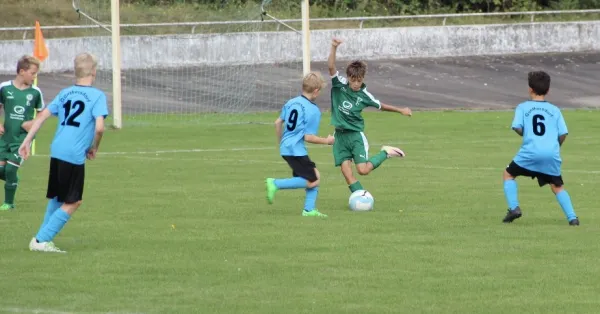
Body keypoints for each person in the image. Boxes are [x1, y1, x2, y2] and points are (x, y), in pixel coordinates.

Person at [20, 52, 109, 253]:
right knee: (74, 201)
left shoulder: (65, 92)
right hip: (74, 154)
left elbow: (42, 116)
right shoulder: (97, 96)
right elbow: (100, 127)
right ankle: (42, 240)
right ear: (93, 72)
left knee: (58, 198)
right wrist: (94, 147)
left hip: (58, 150)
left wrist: (27, 140)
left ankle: (41, 238)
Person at [327, 38, 412, 193]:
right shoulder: (339, 85)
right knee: (347, 173)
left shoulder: (365, 95)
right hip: (339, 137)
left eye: (359, 81)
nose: (356, 84)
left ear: (363, 79)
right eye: (353, 80)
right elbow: (331, 66)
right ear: (348, 77)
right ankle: (361, 196)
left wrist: (401, 110)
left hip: (355, 136)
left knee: (363, 170)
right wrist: (334, 47)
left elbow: (381, 106)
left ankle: (385, 152)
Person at [502, 70, 579, 226]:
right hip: (551, 153)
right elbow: (563, 133)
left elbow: (516, 127)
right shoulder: (555, 110)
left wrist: (527, 134)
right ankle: (573, 218)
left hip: (530, 152)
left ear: (530, 89)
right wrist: (556, 145)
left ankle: (514, 208)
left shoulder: (523, 107)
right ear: (548, 90)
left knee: (508, 174)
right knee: (557, 186)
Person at [265, 71, 334, 217]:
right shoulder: (313, 110)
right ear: (316, 91)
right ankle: (275, 183)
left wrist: (281, 142)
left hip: (287, 148)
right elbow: (308, 136)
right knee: (314, 180)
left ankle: (309, 210)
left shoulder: (291, 102)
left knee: (313, 176)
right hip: (297, 150)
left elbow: (277, 122)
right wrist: (327, 141)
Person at [0, 55, 44, 211]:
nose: (34, 76)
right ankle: (13, 180)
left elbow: (42, 115)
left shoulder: (35, 92)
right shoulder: (4, 87)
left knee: (11, 169)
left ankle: (9, 203)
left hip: (22, 139)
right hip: (5, 138)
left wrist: (31, 124)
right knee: (2, 170)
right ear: (21, 71)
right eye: (32, 73)